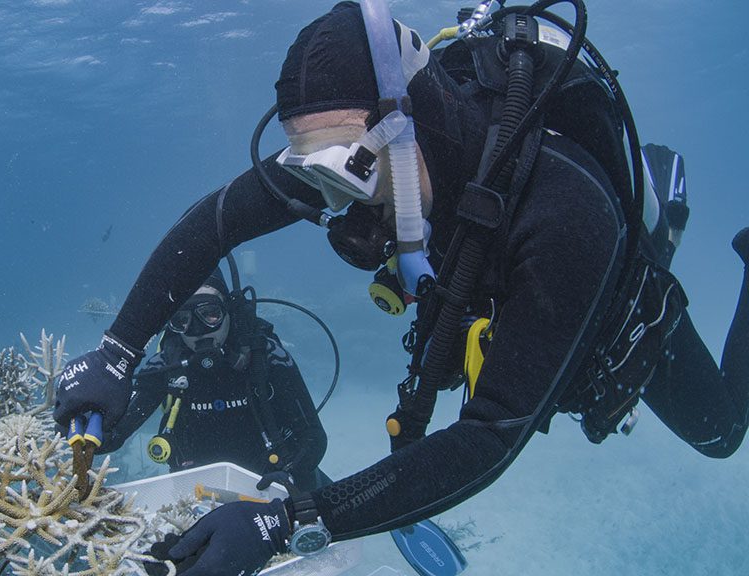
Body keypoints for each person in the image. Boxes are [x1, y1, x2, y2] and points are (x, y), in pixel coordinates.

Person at [53, 2, 749, 573]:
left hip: (603, 314)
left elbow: (490, 437)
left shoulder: (567, 216)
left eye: (346, 176)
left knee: (721, 433)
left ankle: (694, 224)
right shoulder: (366, 139)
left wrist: (288, 522)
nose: (335, 206)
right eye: (314, 178)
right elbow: (216, 222)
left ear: (406, 120)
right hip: (483, 273)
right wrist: (117, 352)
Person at [94, 268, 330, 490]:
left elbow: (313, 437)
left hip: (275, 483)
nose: (199, 330)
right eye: (182, 320)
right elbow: (113, 434)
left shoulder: (265, 356)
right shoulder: (166, 365)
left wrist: (290, 474)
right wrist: (87, 422)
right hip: (198, 493)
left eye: (210, 314)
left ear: (229, 310)